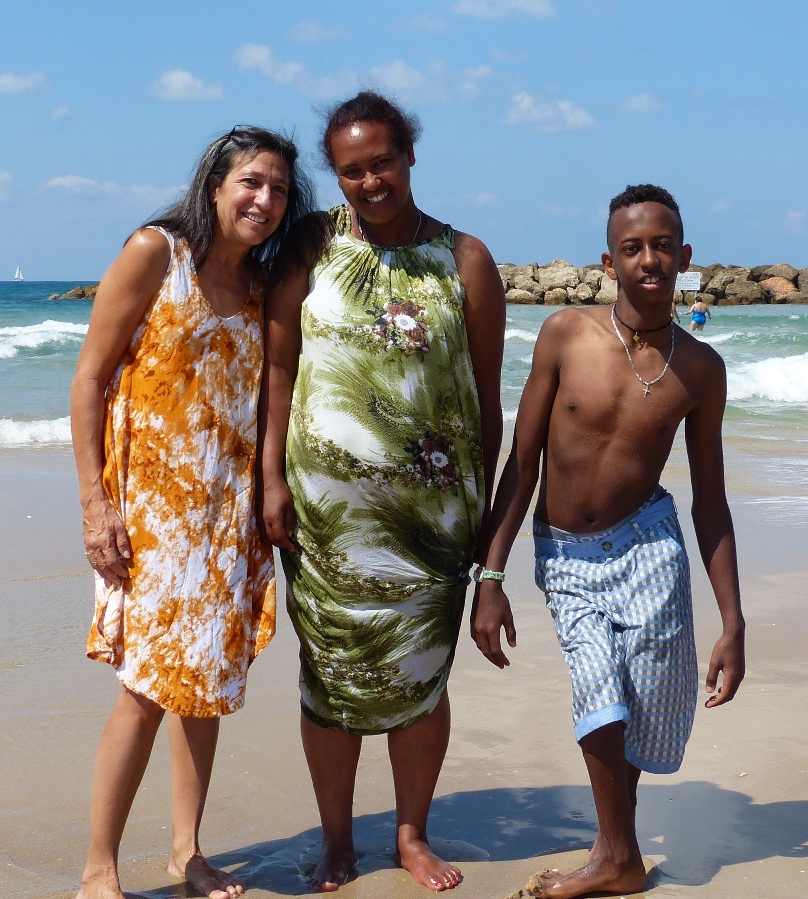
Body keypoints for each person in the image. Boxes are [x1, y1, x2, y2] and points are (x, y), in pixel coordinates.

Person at [470, 185, 746, 899]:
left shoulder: (702, 369)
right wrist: (490, 577)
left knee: (644, 713)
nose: (648, 259)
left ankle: (614, 851)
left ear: (683, 258)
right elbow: (522, 462)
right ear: (609, 260)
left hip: (648, 543)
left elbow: (710, 501)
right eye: (633, 248)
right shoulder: (565, 334)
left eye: (662, 246)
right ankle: (616, 857)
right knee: (599, 693)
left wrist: (734, 619)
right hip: (565, 553)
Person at [262, 90, 506, 893]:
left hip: (433, 522)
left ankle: (409, 833)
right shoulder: (309, 245)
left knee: (420, 679)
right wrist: (269, 476)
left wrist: (484, 515)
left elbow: (484, 398)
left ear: (409, 157)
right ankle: (338, 840)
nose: (369, 182)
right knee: (329, 678)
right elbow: (279, 367)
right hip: (327, 521)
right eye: (350, 171)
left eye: (382, 163)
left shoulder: (464, 259)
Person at [70, 126, 319, 899]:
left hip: (224, 516)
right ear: (213, 184)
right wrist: (94, 504)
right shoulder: (155, 253)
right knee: (146, 688)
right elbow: (89, 381)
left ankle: (188, 851)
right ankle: (98, 868)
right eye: (250, 182)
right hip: (148, 517)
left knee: (203, 684)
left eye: (278, 189)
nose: (264, 200)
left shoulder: (262, 284)